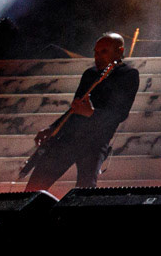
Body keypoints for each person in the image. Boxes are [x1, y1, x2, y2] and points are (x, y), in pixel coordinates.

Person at [24, 34, 139, 193]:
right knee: (35, 186)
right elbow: (75, 109)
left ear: (119, 51)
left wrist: (92, 113)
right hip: (69, 138)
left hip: (95, 141)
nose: (97, 57)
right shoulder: (90, 74)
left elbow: (120, 114)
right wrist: (53, 127)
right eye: (96, 52)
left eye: (103, 52)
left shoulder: (128, 75)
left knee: (84, 193)